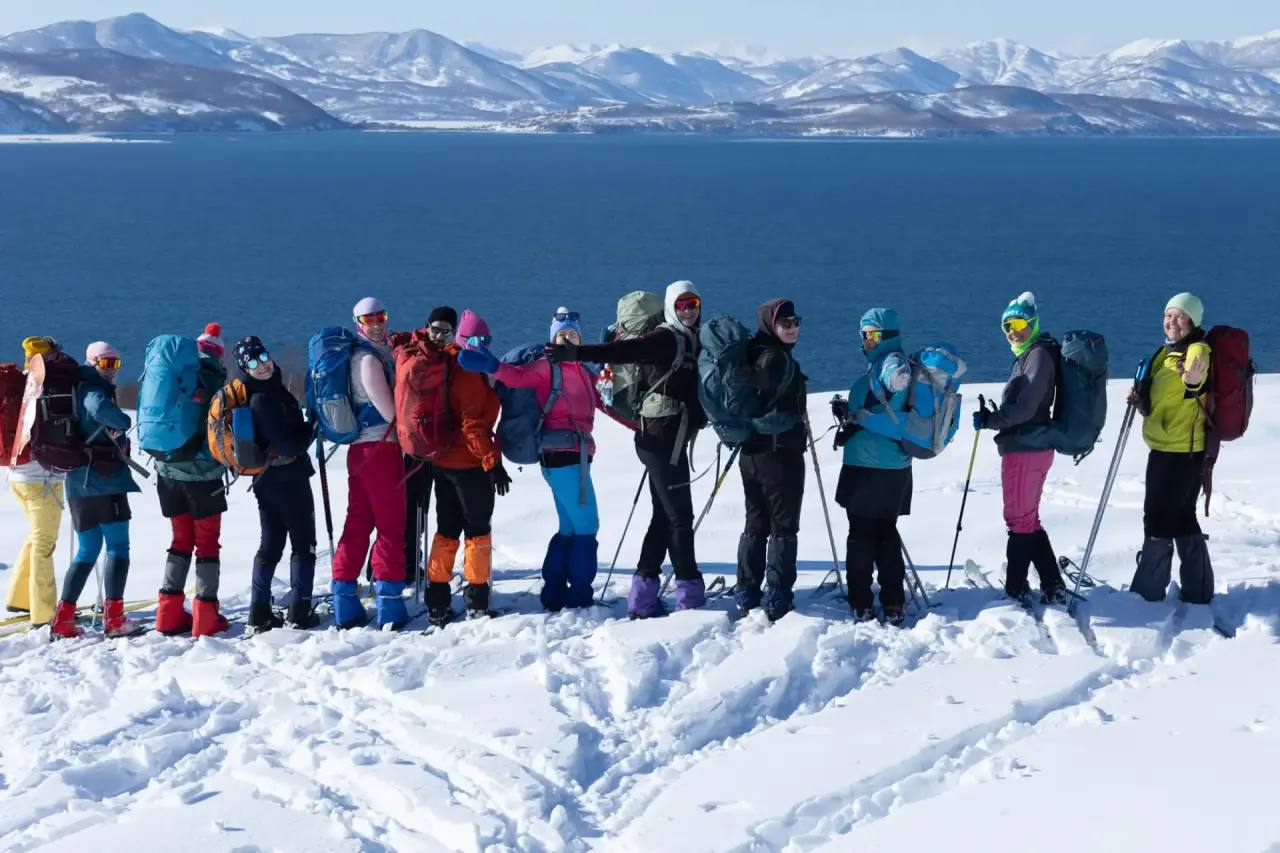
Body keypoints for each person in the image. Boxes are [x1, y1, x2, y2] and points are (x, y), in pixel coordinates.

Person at [549, 281, 707, 619]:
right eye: (682, 305)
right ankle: (689, 597)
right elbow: (625, 351)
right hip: (661, 441)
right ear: (670, 307)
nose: (689, 310)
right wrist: (578, 354)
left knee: (665, 516)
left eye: (693, 303)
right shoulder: (666, 338)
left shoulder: (693, 337)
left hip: (663, 439)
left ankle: (642, 597)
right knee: (681, 518)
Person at [463, 307, 619, 611]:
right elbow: (515, 377)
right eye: (562, 336)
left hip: (576, 455)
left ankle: (554, 593)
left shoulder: (584, 371)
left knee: (571, 527)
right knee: (588, 525)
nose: (567, 340)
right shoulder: (547, 367)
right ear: (553, 338)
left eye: (572, 336)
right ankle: (579, 596)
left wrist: (640, 426)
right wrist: (490, 364)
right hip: (562, 456)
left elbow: (605, 404)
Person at [972, 292, 1067, 604]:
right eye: (1006, 326)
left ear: (1033, 322)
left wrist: (992, 420)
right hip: (1030, 446)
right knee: (1027, 517)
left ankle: (1016, 587)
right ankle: (1051, 583)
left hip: (1027, 447)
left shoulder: (1038, 355)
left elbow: (1025, 408)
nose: (1012, 330)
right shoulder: (1032, 354)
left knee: (1018, 519)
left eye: (1018, 323)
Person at [51, 341, 142, 639]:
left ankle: (63, 619)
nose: (112, 370)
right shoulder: (93, 389)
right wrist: (123, 420)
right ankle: (114, 620)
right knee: (118, 548)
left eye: (116, 363)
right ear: (92, 362)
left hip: (77, 483)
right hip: (104, 482)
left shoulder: (75, 386)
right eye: (106, 363)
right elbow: (100, 409)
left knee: (87, 551)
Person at [424, 310, 510, 626]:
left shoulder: (447, 361)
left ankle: (436, 601)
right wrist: (492, 463)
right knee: (477, 533)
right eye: (482, 340)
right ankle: (476, 600)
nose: (486, 346)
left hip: (442, 463)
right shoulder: (469, 373)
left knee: (446, 531)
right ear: (471, 340)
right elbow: (473, 426)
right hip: (469, 466)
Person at [1129, 292, 1214, 604]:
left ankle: (1148, 593)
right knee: (1181, 516)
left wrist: (1190, 377)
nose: (1172, 322)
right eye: (1168, 315)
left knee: (1157, 517)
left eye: (1180, 317)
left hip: (1179, 449)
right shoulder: (1165, 351)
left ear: (1192, 321)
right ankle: (1199, 591)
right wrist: (1140, 398)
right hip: (1171, 446)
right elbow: (1157, 401)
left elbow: (1196, 379)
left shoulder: (1196, 349)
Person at [330, 297, 408, 630]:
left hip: (360, 453)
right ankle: (389, 603)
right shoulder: (367, 361)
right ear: (357, 322)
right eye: (369, 319)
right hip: (380, 450)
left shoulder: (358, 355)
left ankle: (344, 601)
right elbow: (389, 411)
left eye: (381, 316)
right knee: (391, 524)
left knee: (358, 522)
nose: (377, 323)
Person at [832, 309, 913, 625]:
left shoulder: (891, 363)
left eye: (874, 334)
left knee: (861, 536)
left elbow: (896, 378)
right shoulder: (881, 364)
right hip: (894, 468)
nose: (867, 340)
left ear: (889, 336)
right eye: (864, 334)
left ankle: (861, 601)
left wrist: (894, 374)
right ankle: (893, 602)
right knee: (886, 533)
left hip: (866, 468)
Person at [236, 336, 320, 631]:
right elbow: (287, 445)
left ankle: (259, 610)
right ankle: (300, 609)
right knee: (303, 542)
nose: (261, 366)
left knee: (271, 542)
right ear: (244, 368)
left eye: (263, 358)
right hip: (288, 478)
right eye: (252, 363)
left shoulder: (268, 392)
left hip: (267, 480)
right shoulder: (264, 398)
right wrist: (310, 429)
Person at [154, 323, 232, 637]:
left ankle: (168, 615)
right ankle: (205, 615)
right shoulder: (215, 383)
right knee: (208, 545)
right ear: (218, 355)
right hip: (203, 477)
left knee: (180, 541)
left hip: (168, 474)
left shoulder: (175, 377)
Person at [736, 299, 807, 621]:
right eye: (786, 323)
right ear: (771, 324)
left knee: (755, 523)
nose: (792, 328)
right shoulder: (774, 359)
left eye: (795, 321)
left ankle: (747, 591)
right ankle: (777, 597)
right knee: (783, 527)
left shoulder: (751, 353)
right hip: (780, 455)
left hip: (750, 455)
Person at [5, 336, 65, 630]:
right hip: (42, 480)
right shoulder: (47, 388)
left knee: (35, 535)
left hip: (16, 476)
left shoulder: (20, 384)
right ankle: (44, 612)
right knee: (44, 543)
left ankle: (20, 597)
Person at [401, 307, 456, 591]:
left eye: (446, 331)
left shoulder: (444, 354)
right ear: (426, 326)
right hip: (418, 445)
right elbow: (415, 379)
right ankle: (406, 566)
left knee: (424, 506)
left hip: (438, 442)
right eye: (435, 328)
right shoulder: (419, 354)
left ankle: (410, 563)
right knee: (414, 509)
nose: (439, 335)